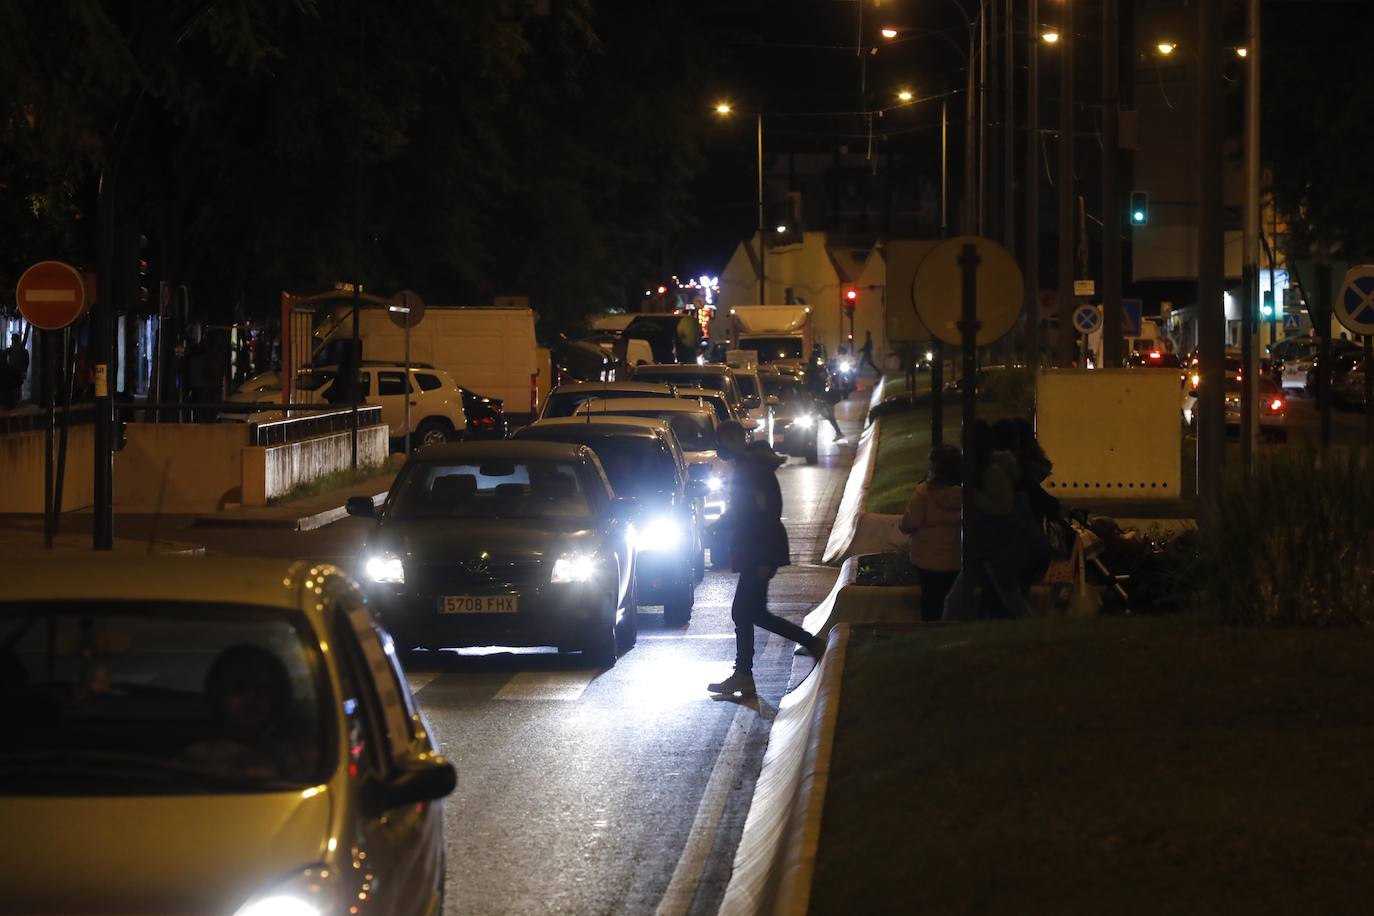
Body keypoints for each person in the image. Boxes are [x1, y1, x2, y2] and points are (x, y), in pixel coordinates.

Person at [708, 421, 824, 698]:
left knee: (743, 611)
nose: (719, 447)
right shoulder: (749, 467)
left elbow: (759, 514)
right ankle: (809, 643)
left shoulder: (751, 470)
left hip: (759, 549)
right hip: (758, 548)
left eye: (723, 440)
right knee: (754, 612)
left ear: (736, 440)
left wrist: (721, 526)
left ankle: (744, 674)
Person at [183, 644, 314, 781]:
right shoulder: (199, 754)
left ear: (276, 699)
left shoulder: (299, 753)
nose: (251, 699)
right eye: (239, 689)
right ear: (219, 695)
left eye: (261, 690)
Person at [899, 444, 963, 622]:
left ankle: (930, 634)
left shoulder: (924, 493)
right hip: (956, 556)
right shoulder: (967, 493)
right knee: (950, 599)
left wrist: (901, 523)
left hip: (926, 559)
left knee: (930, 600)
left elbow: (910, 522)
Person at [804, 344, 845, 442]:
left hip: (820, 396)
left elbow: (818, 381)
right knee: (820, 415)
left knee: (821, 415)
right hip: (820, 396)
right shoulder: (818, 368)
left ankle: (809, 439)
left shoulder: (815, 369)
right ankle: (837, 433)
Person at [4, 333, 29, 408]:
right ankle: (18, 402)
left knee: (14, 388)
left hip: (13, 371)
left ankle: (15, 403)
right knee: (18, 387)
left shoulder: (11, 349)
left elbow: (4, 354)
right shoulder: (22, 349)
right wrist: (24, 369)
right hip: (19, 371)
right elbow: (27, 361)